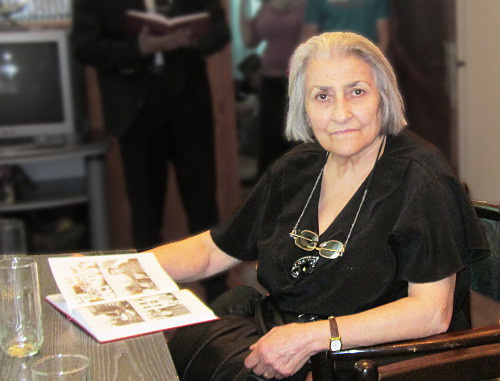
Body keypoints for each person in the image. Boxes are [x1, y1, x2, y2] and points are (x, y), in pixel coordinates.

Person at [151, 32, 488, 380]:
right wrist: (123, 269)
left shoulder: (422, 178)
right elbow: (212, 250)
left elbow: (431, 313)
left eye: (356, 92)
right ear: (305, 107)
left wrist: (315, 337)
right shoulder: (298, 168)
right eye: (323, 96)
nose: (341, 114)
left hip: (379, 357)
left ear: (383, 98)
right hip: (290, 332)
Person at [71, 0, 231, 251]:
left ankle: (217, 287)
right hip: (134, 110)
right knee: (144, 210)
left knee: (203, 204)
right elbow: (84, 46)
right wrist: (138, 48)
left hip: (189, 103)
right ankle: (150, 283)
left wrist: (191, 41)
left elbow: (220, 32)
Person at [239, 0, 306, 177]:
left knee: (294, 135)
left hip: (299, 79)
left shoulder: (306, 5)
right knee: (269, 134)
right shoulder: (265, 8)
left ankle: (297, 184)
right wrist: (242, 8)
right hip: (269, 79)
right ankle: (266, 184)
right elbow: (249, 41)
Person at [301, 0, 390, 54]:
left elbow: (384, 38)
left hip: (368, 56)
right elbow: (308, 36)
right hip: (332, 56)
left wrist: (377, 62)